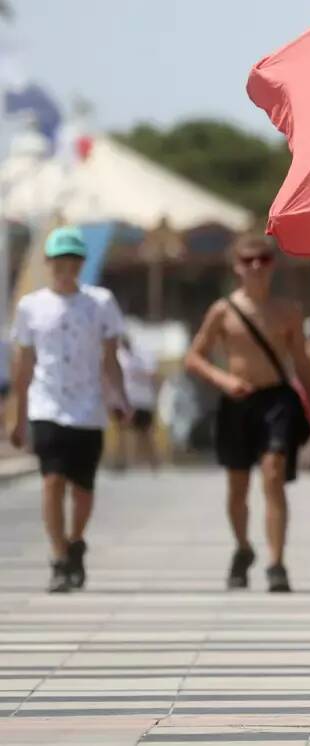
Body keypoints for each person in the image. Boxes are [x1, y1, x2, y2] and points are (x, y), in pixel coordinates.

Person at [184, 236, 310, 593]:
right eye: (248, 261)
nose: (256, 267)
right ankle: (243, 547)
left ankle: (276, 562)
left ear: (273, 265)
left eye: (263, 260)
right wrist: (223, 379)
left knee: (274, 475)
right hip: (237, 401)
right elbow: (194, 357)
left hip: (277, 399)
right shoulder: (223, 311)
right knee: (238, 487)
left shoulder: (288, 311)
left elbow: (304, 366)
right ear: (237, 267)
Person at [7, 227, 129, 593]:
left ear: (80, 263)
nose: (66, 267)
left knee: (83, 488)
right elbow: (24, 363)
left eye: (73, 260)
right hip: (47, 404)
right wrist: (18, 413)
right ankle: (59, 556)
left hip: (88, 406)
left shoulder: (101, 302)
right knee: (52, 480)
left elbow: (111, 359)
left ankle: (76, 540)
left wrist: (119, 398)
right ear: (49, 263)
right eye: (60, 261)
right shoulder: (30, 306)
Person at [115, 336, 161, 471]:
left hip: (143, 400)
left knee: (145, 433)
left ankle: (153, 462)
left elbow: (152, 374)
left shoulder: (143, 356)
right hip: (126, 400)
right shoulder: (120, 357)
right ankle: (121, 461)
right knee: (122, 430)